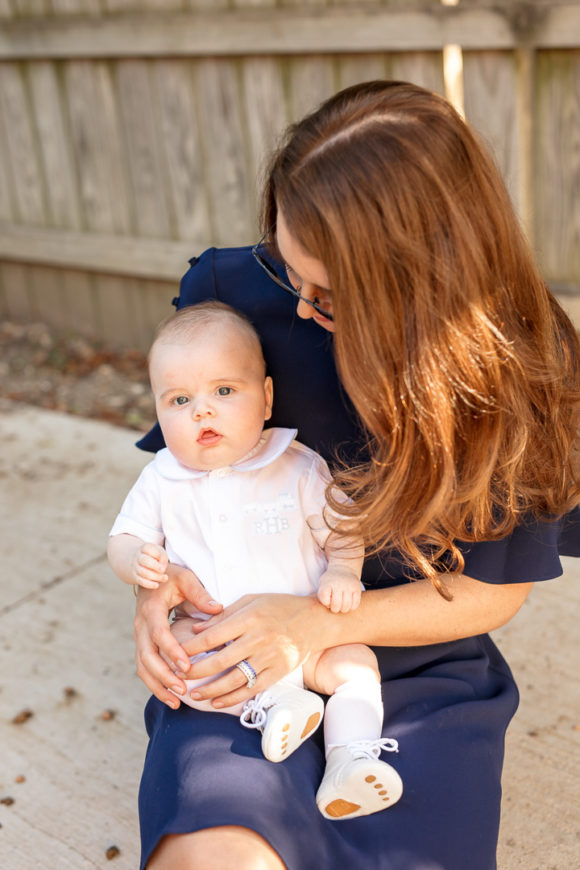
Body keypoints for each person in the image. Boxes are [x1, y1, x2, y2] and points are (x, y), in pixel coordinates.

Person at [129, 81, 579, 870]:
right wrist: (151, 598)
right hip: (239, 646)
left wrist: (323, 624)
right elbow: (180, 482)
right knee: (215, 854)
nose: (300, 309)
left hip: (416, 660)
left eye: (331, 295)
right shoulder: (231, 296)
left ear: (423, 286)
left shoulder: (528, 368)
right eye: (288, 269)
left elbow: (495, 590)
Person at [108, 301, 403, 818]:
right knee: (179, 661)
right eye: (179, 400)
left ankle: (351, 759)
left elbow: (343, 528)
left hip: (309, 631)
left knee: (357, 665)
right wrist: (138, 561)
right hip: (216, 635)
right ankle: (273, 704)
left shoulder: (296, 466)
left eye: (224, 391)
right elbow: (123, 538)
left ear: (266, 398)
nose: (202, 410)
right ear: (157, 412)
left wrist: (342, 570)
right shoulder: (161, 479)